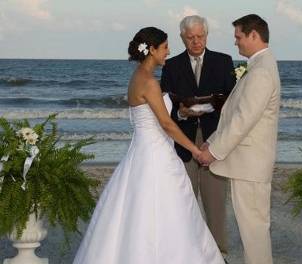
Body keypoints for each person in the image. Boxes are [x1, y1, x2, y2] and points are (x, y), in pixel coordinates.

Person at [73, 27, 225, 264]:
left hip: (141, 153)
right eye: (165, 47)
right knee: (166, 211)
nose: (169, 51)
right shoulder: (150, 83)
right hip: (156, 155)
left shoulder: (137, 77)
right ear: (152, 50)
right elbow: (166, 124)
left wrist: (183, 111)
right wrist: (195, 149)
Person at [198, 14, 281, 264]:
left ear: (254, 35)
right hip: (248, 165)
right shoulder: (259, 66)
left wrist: (214, 152)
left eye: (239, 37)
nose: (236, 43)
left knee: (254, 231)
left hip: (251, 166)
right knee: (252, 230)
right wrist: (211, 141)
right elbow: (233, 114)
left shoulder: (262, 71)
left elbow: (243, 120)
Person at [160, 15, 235, 257]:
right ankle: (188, 255)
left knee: (215, 202)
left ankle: (219, 254)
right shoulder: (171, 66)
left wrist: (220, 105)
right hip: (185, 141)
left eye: (200, 36)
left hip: (216, 140)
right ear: (182, 37)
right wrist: (180, 114)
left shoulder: (223, 61)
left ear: (206, 35)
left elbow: (234, 102)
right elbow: (164, 106)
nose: (196, 41)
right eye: (190, 37)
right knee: (185, 202)